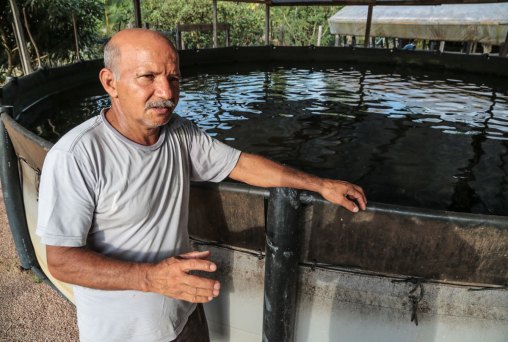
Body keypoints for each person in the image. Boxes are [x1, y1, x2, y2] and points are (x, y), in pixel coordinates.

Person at [36, 28, 367, 342]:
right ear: (111, 82)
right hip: (127, 332)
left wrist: (320, 184)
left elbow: (242, 164)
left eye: (173, 78)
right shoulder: (77, 156)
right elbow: (62, 259)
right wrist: (150, 278)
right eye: (147, 77)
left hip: (185, 310)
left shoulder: (179, 133)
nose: (166, 93)